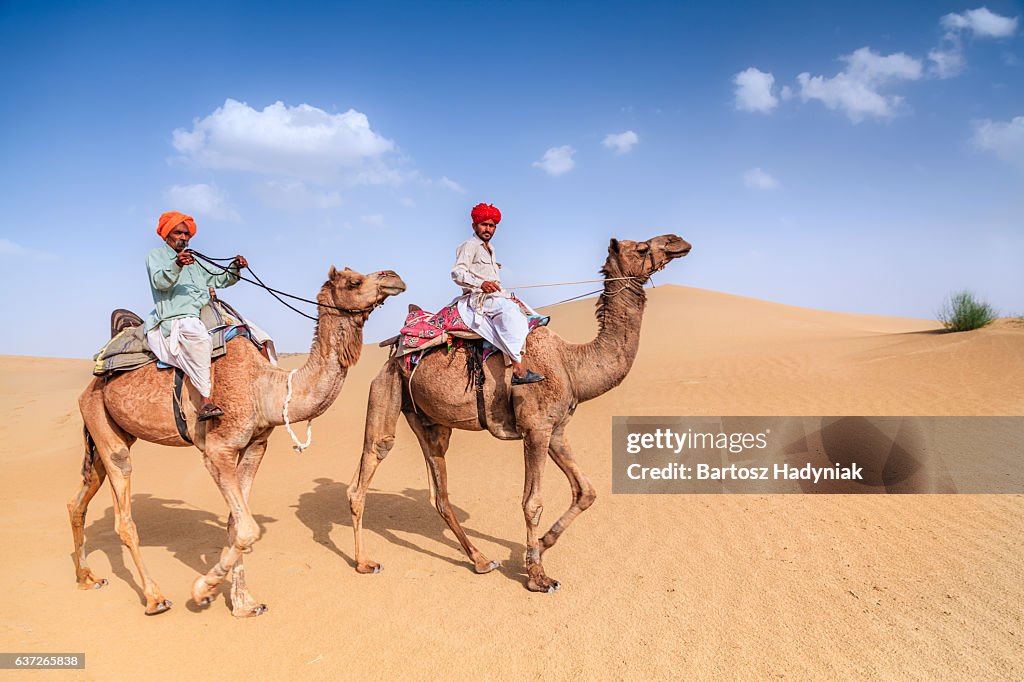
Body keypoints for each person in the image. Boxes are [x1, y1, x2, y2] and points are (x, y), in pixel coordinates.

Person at [145, 211, 247, 420]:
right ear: (167, 235)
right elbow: (160, 283)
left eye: (186, 234)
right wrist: (177, 265)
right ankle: (205, 400)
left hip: (204, 312)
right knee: (199, 338)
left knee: (252, 332)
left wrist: (235, 268)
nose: (183, 237)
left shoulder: (195, 260)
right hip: (177, 317)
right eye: (178, 233)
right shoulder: (155, 256)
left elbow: (220, 280)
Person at [451, 203, 545, 385]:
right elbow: (457, 272)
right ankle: (518, 369)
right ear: (474, 226)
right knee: (509, 313)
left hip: (494, 295)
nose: (488, 229)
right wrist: (481, 283)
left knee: (521, 307)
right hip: (478, 298)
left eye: (492, 225)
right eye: (484, 224)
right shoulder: (469, 246)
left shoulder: (491, 249)